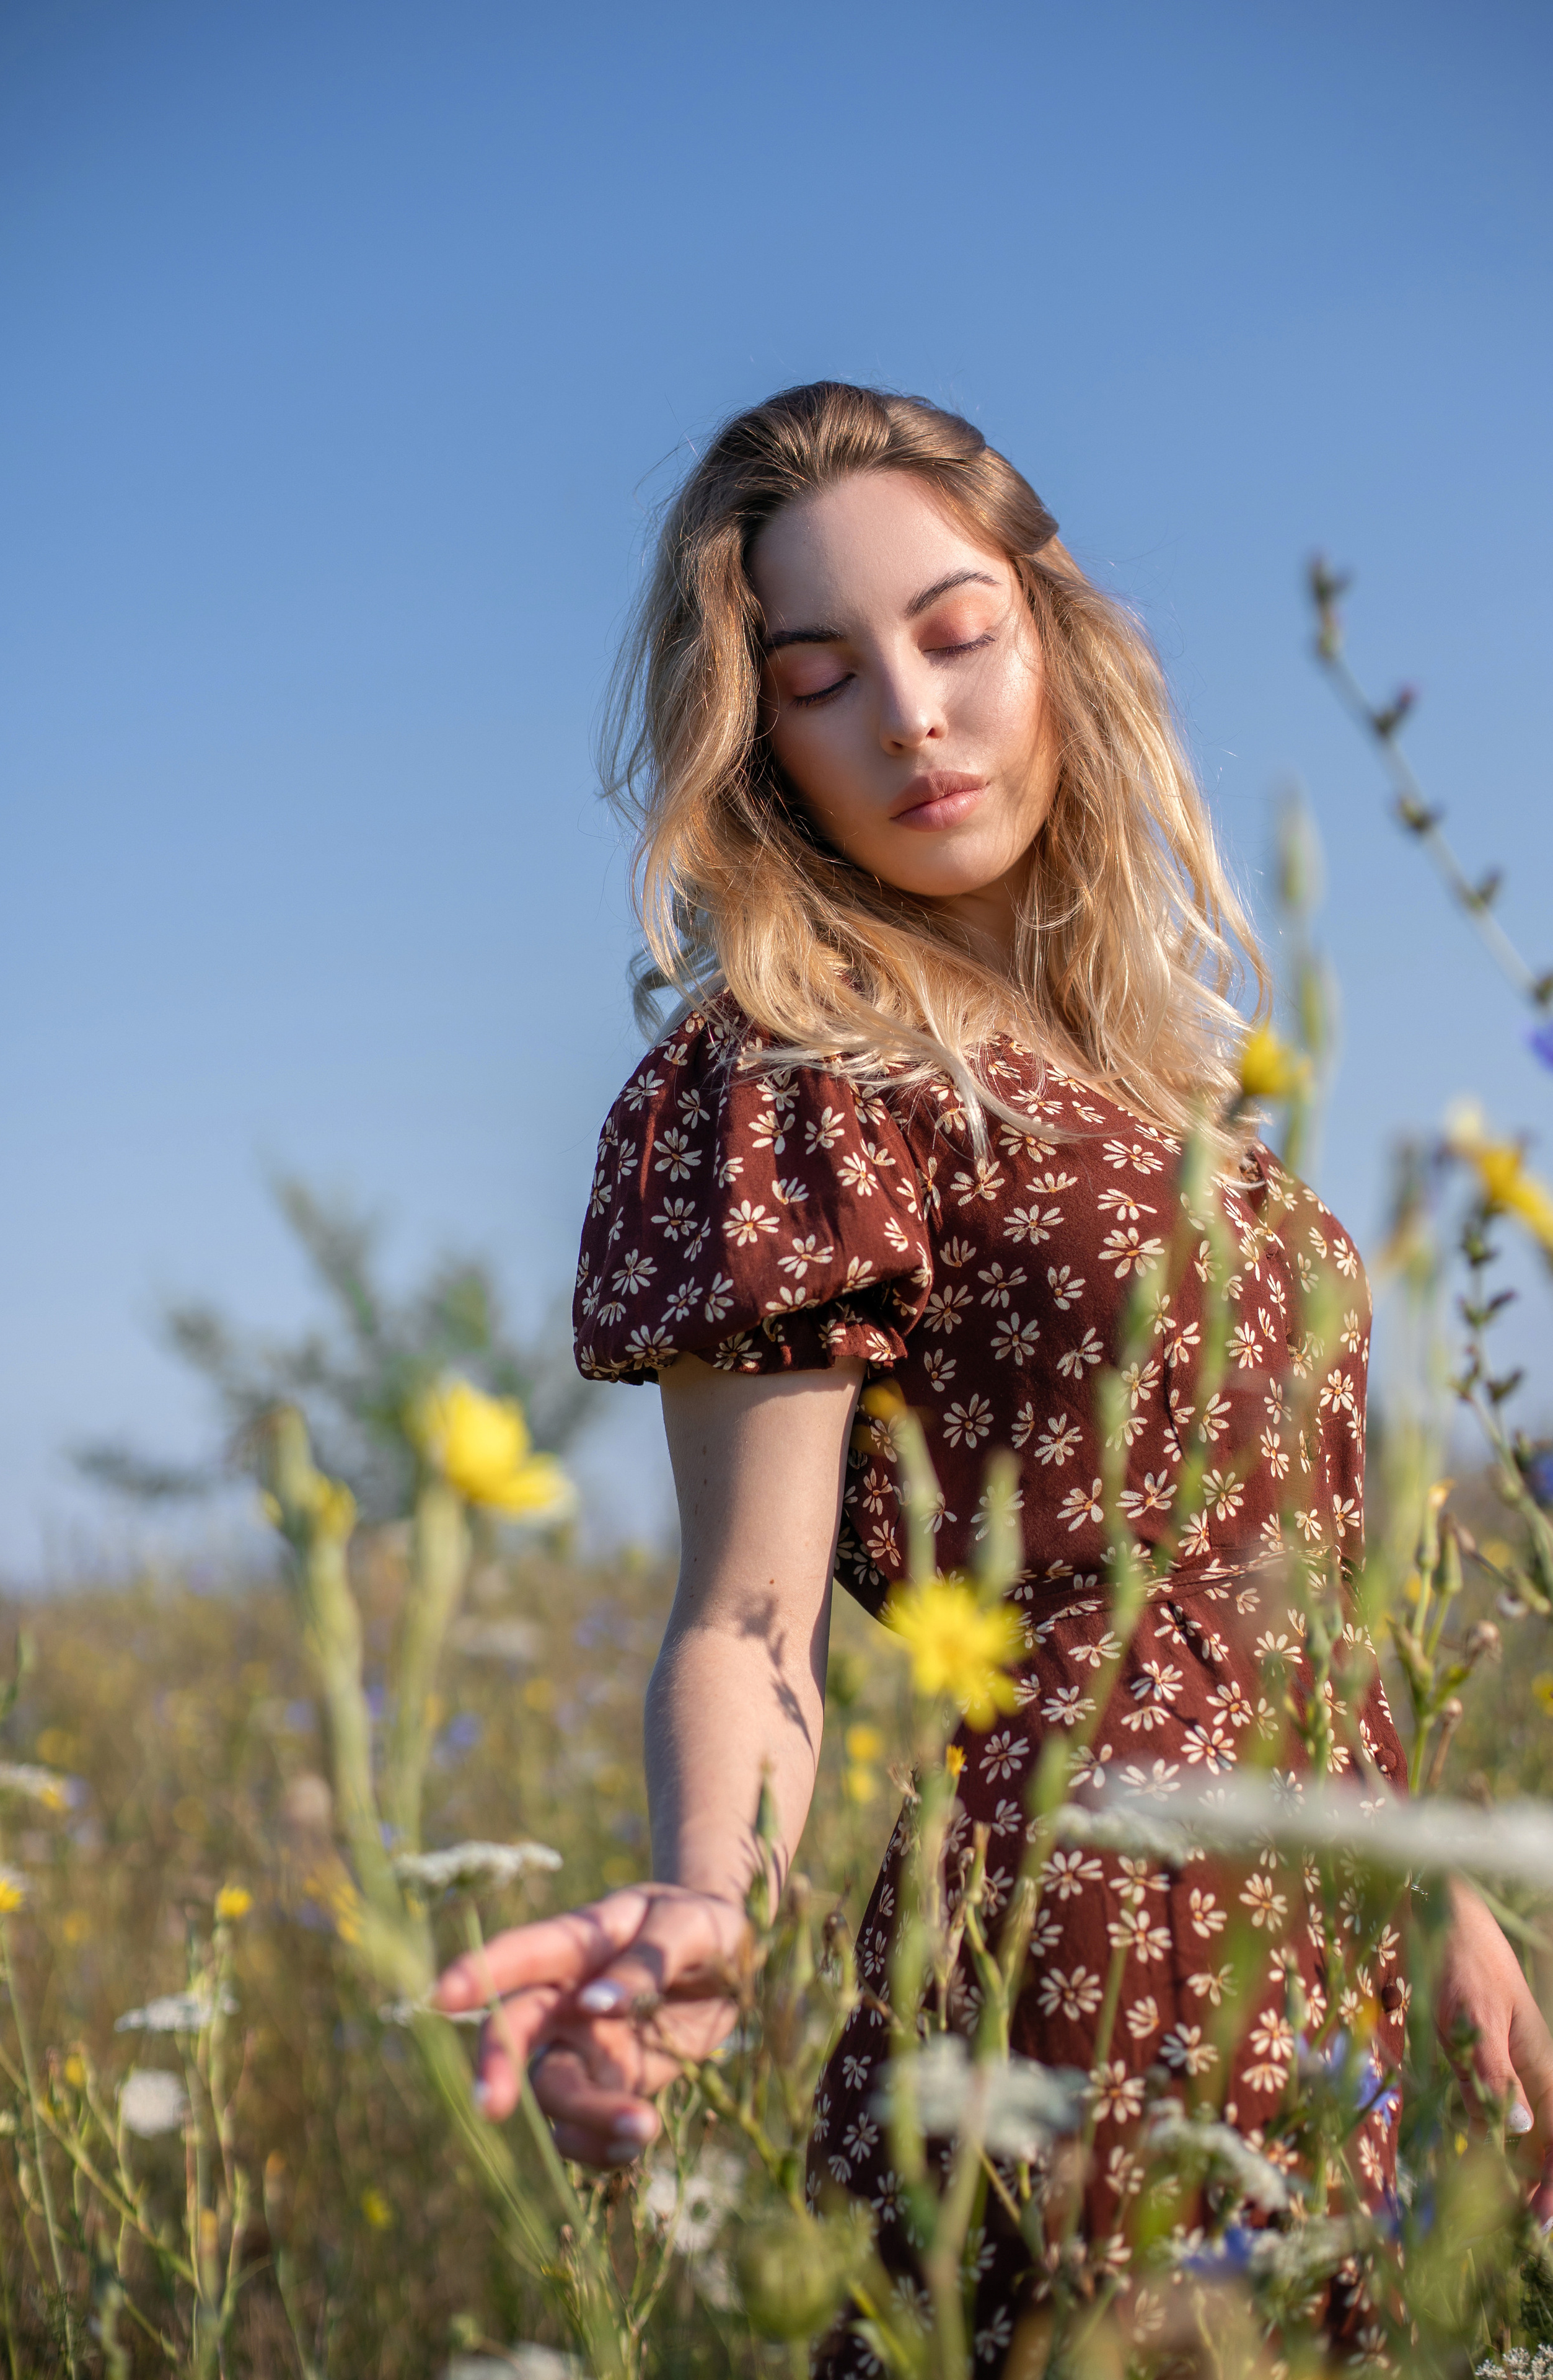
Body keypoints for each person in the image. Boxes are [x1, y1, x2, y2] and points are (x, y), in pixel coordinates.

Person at [434, 381, 1553, 2358]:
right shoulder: (800, 1069)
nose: (913, 713)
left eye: (957, 634)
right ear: (759, 741)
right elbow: (752, 1618)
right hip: (1091, 1931)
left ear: (1055, 642)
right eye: (821, 674)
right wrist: (713, 1907)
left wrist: (1430, 1890)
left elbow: (1277, 1584)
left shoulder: (1146, 1087)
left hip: (1334, 1939)